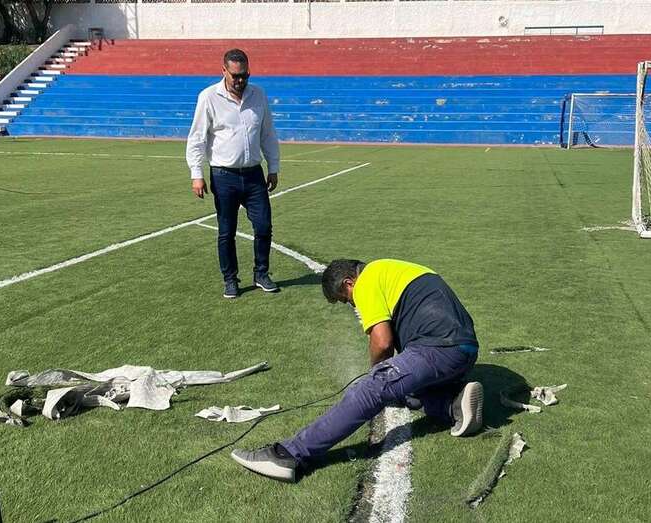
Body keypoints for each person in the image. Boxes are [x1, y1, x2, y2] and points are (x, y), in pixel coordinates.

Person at [231, 258, 484, 481]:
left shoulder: (367, 279)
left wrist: (378, 373)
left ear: (349, 283)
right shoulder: (393, 270)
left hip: (437, 349)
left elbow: (382, 341)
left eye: (346, 300)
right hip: (465, 351)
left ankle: (289, 454)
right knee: (403, 391)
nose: (352, 306)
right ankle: (452, 404)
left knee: (372, 388)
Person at [186, 48, 281, 299]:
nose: (240, 81)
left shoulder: (258, 95)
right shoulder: (208, 97)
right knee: (226, 231)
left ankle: (261, 273)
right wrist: (197, 174)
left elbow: (268, 134)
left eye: (245, 75)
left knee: (264, 226)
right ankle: (230, 279)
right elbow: (196, 138)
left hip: (253, 176)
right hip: (223, 176)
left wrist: (273, 167)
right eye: (235, 76)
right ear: (224, 71)